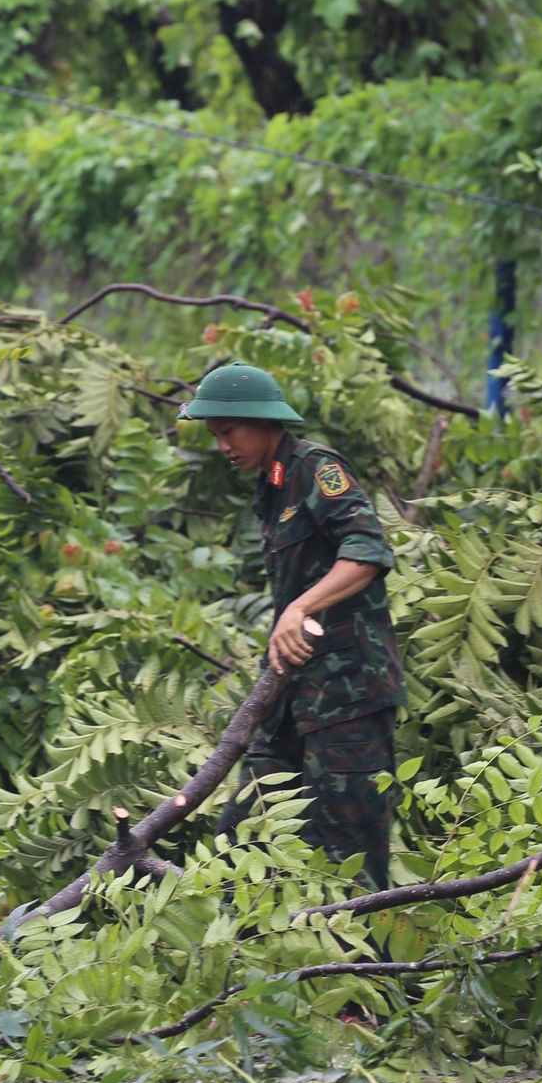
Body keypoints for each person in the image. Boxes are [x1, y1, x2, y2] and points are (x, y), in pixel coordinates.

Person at [192, 363, 405, 892]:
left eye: (229, 431)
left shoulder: (315, 468)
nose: (222, 446)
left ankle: (375, 971)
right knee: (240, 845)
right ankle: (235, 968)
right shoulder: (272, 484)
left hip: (348, 699)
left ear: (264, 423)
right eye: (214, 434)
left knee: (351, 866)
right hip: (292, 699)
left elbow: (368, 550)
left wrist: (298, 609)